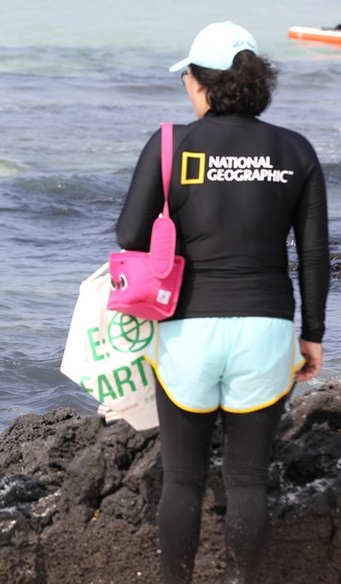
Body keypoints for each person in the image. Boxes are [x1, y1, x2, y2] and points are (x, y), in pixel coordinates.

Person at [115, 21, 329, 583]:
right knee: (249, 478)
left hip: (188, 326)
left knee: (182, 477)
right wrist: (313, 336)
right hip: (267, 328)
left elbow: (129, 236)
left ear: (202, 83)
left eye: (187, 74)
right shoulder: (295, 150)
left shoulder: (170, 144)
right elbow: (313, 255)